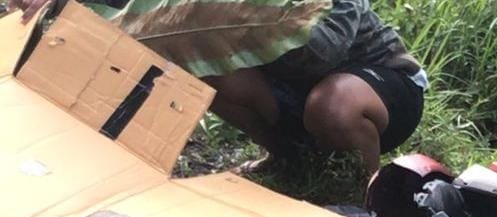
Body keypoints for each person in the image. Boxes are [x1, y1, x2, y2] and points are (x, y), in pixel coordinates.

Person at [9, 0, 427, 174]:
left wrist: (236, 14)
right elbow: (147, 9)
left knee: (331, 104)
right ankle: (287, 159)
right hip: (293, 95)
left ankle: (366, 186)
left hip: (382, 88)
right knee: (201, 69)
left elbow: (323, 51)